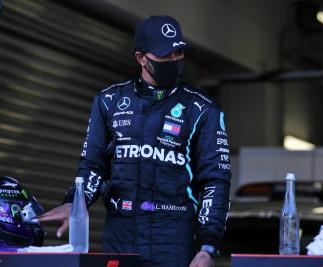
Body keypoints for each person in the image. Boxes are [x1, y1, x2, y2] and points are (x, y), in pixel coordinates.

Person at [39, 15, 231, 267]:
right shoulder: (109, 100)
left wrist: (208, 247)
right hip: (120, 235)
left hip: (173, 239)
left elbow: (216, 181)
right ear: (141, 58)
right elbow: (93, 164)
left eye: (179, 53)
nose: (174, 61)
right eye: (165, 56)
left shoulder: (202, 109)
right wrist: (75, 202)